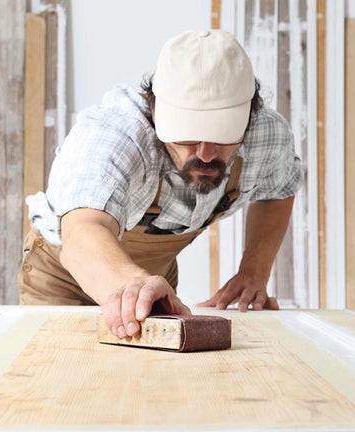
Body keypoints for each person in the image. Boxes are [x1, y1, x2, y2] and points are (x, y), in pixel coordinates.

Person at [19, 29, 302, 339]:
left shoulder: (268, 136)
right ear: (155, 111)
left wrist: (254, 271)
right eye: (188, 135)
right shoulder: (115, 136)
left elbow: (279, 190)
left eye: (223, 135)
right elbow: (83, 232)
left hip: (152, 279)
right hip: (66, 277)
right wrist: (135, 285)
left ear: (250, 115)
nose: (206, 155)